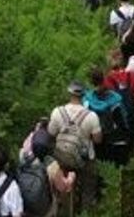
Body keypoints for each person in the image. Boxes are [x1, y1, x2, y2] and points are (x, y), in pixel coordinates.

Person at [47, 81, 102, 211]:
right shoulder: (91, 116)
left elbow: (51, 133)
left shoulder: (57, 112)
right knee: (89, 183)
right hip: (83, 160)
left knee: (60, 184)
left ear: (69, 93)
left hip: (61, 156)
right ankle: (86, 209)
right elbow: (98, 140)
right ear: (84, 95)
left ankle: (61, 206)